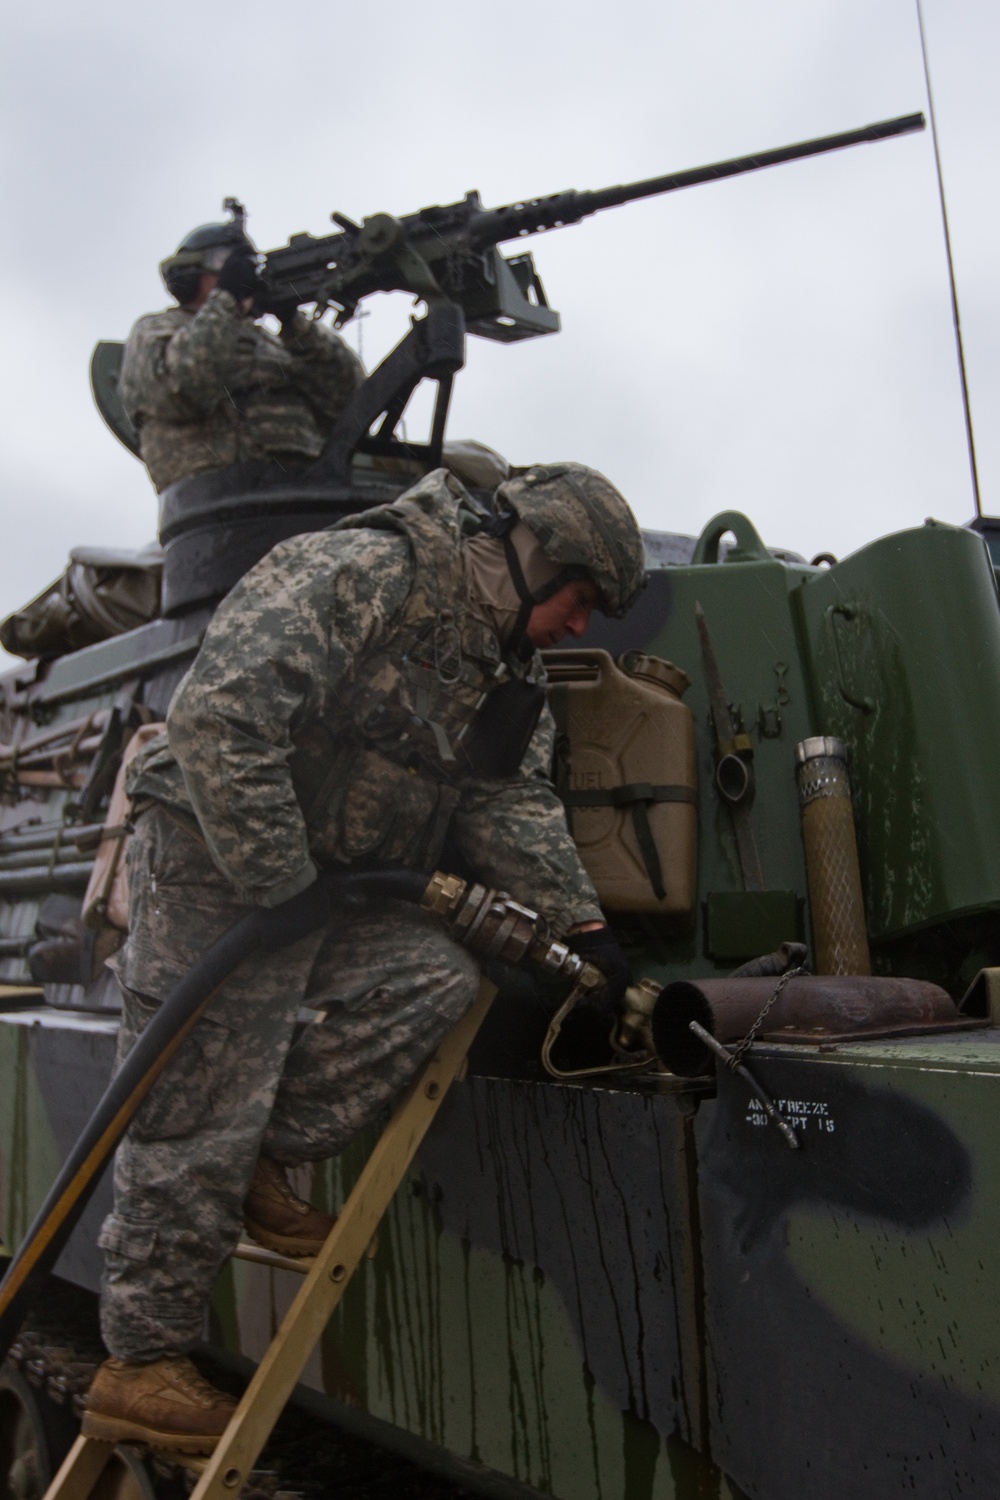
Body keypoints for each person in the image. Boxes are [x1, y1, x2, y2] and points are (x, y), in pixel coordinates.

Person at [81, 461, 646, 1453]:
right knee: (198, 1090)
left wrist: (589, 935)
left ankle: (262, 1150)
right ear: (529, 557)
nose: (580, 626)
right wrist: (276, 875)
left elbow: (503, 802)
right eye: (579, 598)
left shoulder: (506, 674)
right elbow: (223, 719)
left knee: (427, 981)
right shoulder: (360, 573)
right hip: (221, 857)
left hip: (332, 883)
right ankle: (142, 1360)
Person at [119, 206, 364, 494]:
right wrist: (226, 300)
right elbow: (185, 387)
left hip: (306, 494)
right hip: (217, 504)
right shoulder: (156, 331)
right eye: (224, 262)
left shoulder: (275, 343)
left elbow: (350, 397)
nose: (241, 271)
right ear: (188, 274)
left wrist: (295, 324)